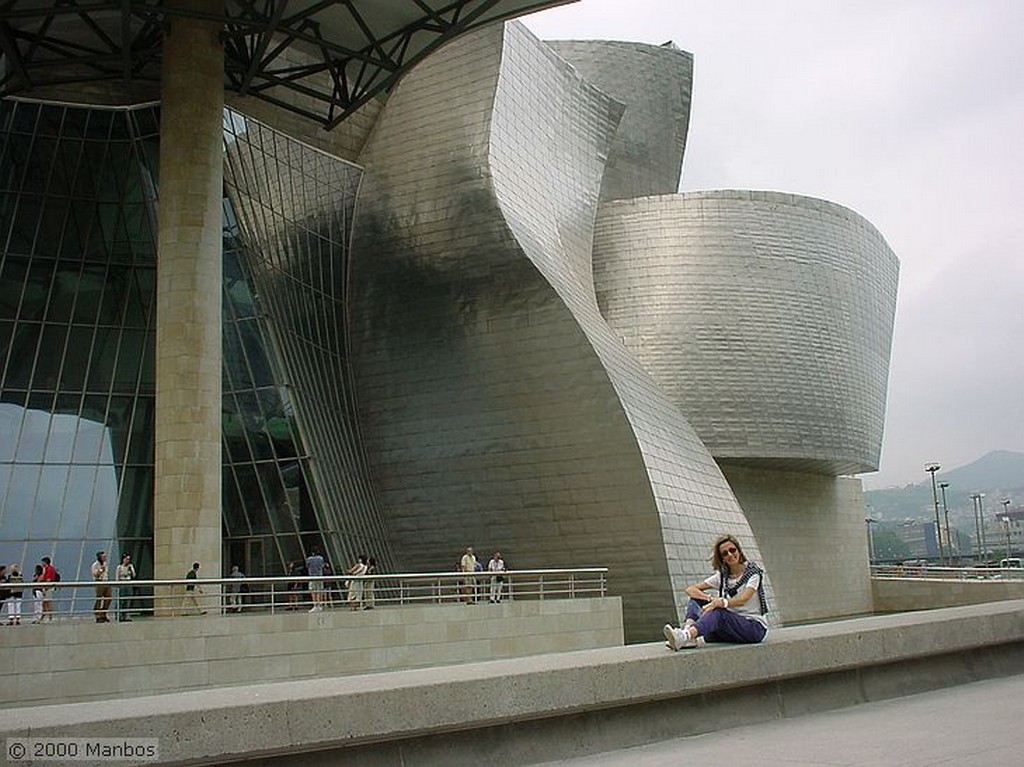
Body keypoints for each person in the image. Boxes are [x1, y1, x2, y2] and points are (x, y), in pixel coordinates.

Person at [663, 534, 769, 650]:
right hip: (730, 626)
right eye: (725, 553)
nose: (730, 554)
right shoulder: (722, 576)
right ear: (722, 558)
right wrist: (710, 599)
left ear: (739, 551)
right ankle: (689, 635)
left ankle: (685, 636)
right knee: (696, 598)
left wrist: (721, 603)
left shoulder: (753, 573)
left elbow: (743, 600)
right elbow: (691, 590)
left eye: (732, 550)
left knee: (719, 613)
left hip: (752, 628)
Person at [91, 550, 111, 623]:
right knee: (99, 599)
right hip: (99, 582)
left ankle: (103, 613)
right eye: (103, 557)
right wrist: (101, 570)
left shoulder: (105, 564)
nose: (105, 558)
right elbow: (95, 574)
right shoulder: (95, 565)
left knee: (108, 598)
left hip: (106, 581)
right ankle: (98, 614)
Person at [115, 553, 135, 622]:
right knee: (122, 600)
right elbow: (117, 577)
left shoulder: (130, 566)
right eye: (126, 559)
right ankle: (120, 615)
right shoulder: (119, 567)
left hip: (128, 583)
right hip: (122, 583)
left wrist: (131, 569)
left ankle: (126, 614)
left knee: (128, 600)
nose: (128, 561)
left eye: (129, 559)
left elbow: (134, 575)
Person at [306, 547, 326, 613]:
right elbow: (322, 566)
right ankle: (319, 605)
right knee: (319, 591)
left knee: (313, 591)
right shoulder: (321, 558)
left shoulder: (309, 559)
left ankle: (315, 605)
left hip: (312, 576)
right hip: (320, 576)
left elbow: (307, 566)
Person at [40, 556, 58, 621]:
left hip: (48, 588)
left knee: (48, 602)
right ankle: (43, 616)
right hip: (48, 587)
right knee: (45, 603)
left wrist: (45, 588)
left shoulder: (49, 569)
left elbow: (48, 579)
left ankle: (50, 617)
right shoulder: (49, 568)